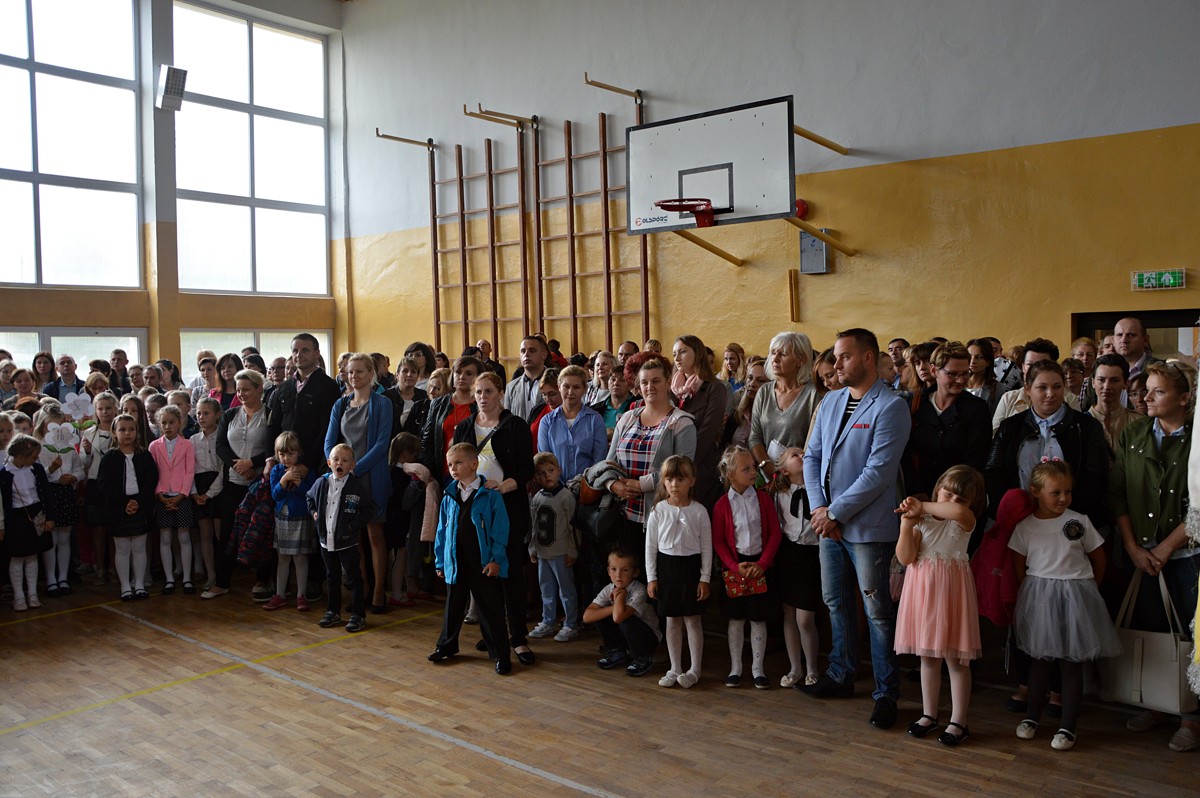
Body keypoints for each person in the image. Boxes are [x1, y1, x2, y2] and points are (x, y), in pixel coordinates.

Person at [802, 328, 911, 729]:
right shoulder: (831, 400)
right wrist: (819, 508)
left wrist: (835, 513)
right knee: (836, 602)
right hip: (828, 524)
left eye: (844, 356)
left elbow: (878, 473)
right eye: (835, 357)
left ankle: (886, 693)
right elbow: (812, 457)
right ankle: (840, 674)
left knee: (877, 612)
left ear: (867, 358)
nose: (836, 364)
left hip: (867, 528)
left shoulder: (891, 406)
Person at [1109, 360, 1199, 751]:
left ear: (1184, 398)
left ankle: (1191, 718)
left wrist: (1165, 547)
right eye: (1145, 389)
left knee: (1191, 639)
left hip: (1187, 555)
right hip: (1141, 555)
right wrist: (1133, 547)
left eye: (1157, 391)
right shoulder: (1135, 433)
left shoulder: (1197, 438)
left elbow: (1199, 505)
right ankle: (1157, 702)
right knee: (1153, 630)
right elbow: (1118, 493)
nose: (1145, 397)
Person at [1009, 460, 1121, 752]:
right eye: (1055, 492)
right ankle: (1031, 717)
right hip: (1040, 597)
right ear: (1036, 491)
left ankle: (1067, 726)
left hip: (1075, 596)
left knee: (1071, 664)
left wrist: (1086, 589)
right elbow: (1020, 566)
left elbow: (1099, 558)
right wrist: (1033, 593)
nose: (1063, 498)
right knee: (1040, 661)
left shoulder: (1078, 521)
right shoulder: (1025, 527)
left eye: (1067, 492)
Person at [894, 466, 986, 747]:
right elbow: (906, 558)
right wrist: (907, 524)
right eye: (948, 494)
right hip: (923, 595)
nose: (953, 501)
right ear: (938, 490)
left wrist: (920, 505)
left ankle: (959, 720)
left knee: (956, 660)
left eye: (961, 499)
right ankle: (929, 714)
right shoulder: (921, 520)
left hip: (952, 595)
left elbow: (957, 511)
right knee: (928, 658)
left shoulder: (964, 519)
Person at [451, 372, 535, 667]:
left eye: (488, 391)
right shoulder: (465, 427)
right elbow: (455, 465)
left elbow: (526, 470)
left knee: (510, 575)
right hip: (474, 512)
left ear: (500, 393)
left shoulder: (515, 426)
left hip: (507, 508)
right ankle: (493, 634)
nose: (483, 397)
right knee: (483, 577)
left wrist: (503, 487)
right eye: (478, 392)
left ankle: (518, 638)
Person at [427, 442, 511, 673]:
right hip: (456, 561)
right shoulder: (449, 495)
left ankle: (501, 654)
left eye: (458, 463)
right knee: (453, 606)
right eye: (450, 464)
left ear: (474, 464)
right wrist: (440, 561)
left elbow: (500, 530)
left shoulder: (490, 495)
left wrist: (496, 559)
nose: (453, 468)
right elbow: (442, 532)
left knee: (490, 608)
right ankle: (446, 646)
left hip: (483, 563)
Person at [605, 355, 697, 559]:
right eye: (644, 382)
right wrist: (613, 485)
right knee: (629, 573)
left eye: (656, 381)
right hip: (624, 513)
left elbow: (683, 471)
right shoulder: (627, 419)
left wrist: (642, 484)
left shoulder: (681, 423)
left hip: (662, 516)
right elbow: (609, 463)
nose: (649, 387)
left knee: (655, 575)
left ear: (668, 382)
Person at [325, 352, 393, 614]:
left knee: (375, 534)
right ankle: (360, 589)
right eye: (350, 371)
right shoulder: (340, 404)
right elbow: (330, 442)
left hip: (371, 475)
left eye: (359, 371)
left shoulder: (382, 403)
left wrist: (355, 469)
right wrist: (337, 466)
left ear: (371, 374)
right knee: (354, 536)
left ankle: (378, 592)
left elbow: (381, 444)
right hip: (344, 476)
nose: (353, 376)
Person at [712, 445, 781, 689]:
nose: (754, 472)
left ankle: (758, 668)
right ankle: (736, 668)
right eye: (747, 469)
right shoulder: (722, 504)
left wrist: (762, 564)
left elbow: (774, 534)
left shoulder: (763, 499)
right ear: (731, 475)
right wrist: (733, 566)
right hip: (736, 566)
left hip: (759, 565)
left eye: (753, 467)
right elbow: (719, 541)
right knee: (736, 618)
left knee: (758, 618)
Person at [643, 454, 710, 688]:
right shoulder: (658, 510)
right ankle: (675, 667)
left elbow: (706, 547)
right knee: (672, 620)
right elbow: (650, 547)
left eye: (680, 479)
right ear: (663, 481)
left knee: (692, 620)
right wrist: (652, 578)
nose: (674, 485)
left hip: (690, 569)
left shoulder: (699, 511)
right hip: (667, 569)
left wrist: (705, 578)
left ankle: (695, 669)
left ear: (691, 481)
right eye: (669, 479)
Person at [206, 369, 272, 600]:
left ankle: (263, 580)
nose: (241, 394)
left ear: (259, 389)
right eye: (239, 390)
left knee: (260, 532)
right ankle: (221, 582)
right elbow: (221, 446)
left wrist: (252, 463)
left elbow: (274, 447)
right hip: (234, 482)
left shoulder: (270, 414)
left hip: (260, 483)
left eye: (246, 389)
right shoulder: (230, 414)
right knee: (226, 533)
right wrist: (239, 466)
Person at [903, 342, 992, 499]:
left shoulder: (977, 409)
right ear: (934, 371)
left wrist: (949, 495)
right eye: (952, 374)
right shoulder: (916, 405)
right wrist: (915, 489)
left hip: (957, 496)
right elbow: (905, 452)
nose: (960, 380)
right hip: (917, 494)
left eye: (965, 374)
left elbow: (975, 459)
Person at [307, 443, 374, 633]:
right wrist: (314, 513)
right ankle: (332, 611)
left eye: (345, 461)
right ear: (329, 463)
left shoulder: (356, 487)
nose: (339, 463)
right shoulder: (321, 483)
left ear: (352, 465)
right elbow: (309, 498)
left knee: (353, 578)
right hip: (325, 541)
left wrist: (352, 526)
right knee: (332, 577)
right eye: (336, 459)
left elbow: (368, 510)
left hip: (347, 542)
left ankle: (358, 614)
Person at [773, 446, 822, 690]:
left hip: (812, 554)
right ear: (784, 470)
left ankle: (812, 668)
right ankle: (795, 668)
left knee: (805, 618)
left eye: (803, 452)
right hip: (788, 553)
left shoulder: (818, 490)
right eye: (795, 455)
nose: (802, 456)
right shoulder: (779, 494)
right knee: (789, 614)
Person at [99, 414, 158, 601]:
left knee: (139, 547)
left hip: (141, 506)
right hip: (118, 508)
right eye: (122, 430)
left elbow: (151, 481)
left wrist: (138, 502)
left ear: (137, 432)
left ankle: (139, 584)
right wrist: (124, 503)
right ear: (114, 433)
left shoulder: (144, 456)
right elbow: (104, 484)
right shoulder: (109, 458)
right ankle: (125, 586)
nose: (127, 433)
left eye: (131, 429)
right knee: (122, 548)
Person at [750, 332, 819, 481]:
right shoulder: (764, 391)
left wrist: (791, 472)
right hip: (767, 476)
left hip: (800, 477)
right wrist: (767, 466)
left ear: (801, 359)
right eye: (773, 353)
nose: (775, 359)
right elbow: (755, 437)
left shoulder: (813, 394)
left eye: (783, 354)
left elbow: (816, 442)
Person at [527, 452, 581, 643]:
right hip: (543, 553)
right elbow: (534, 527)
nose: (547, 476)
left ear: (559, 470)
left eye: (550, 470)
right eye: (541, 473)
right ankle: (547, 621)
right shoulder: (537, 498)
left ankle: (571, 624)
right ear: (536, 477)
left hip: (561, 553)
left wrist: (572, 551)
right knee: (546, 589)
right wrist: (533, 549)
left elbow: (574, 527)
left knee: (566, 590)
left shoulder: (566, 496)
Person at [582, 548, 661, 677]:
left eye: (625, 570)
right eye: (614, 569)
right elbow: (587, 617)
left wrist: (621, 596)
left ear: (635, 572)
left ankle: (643, 656)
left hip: (648, 638)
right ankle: (617, 650)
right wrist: (613, 607)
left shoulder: (640, 590)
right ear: (608, 571)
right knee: (600, 615)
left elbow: (619, 617)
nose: (618, 575)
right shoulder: (608, 589)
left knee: (625, 620)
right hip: (627, 636)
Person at [670, 335, 729, 508]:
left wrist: (683, 467)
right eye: (674, 354)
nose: (677, 358)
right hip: (671, 466)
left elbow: (707, 433)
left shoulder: (715, 388)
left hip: (700, 466)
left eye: (683, 352)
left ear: (698, 353)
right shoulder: (672, 390)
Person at [263, 431, 319, 611]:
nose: (286, 458)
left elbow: (311, 493)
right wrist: (284, 480)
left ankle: (301, 595)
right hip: (282, 519)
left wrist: (299, 482)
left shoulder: (306, 471)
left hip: (301, 518)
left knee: (300, 558)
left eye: (290, 453)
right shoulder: (276, 471)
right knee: (283, 558)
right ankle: (279, 594)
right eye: (282, 454)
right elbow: (275, 495)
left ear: (298, 453)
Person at [1, 434, 56, 610]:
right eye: (33, 456)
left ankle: (32, 594)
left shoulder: (36, 469)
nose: (36, 459)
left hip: (36, 513)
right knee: (17, 557)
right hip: (16, 518)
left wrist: (50, 517)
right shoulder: (4, 474)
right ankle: (18, 596)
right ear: (20, 456)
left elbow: (46, 493)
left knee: (32, 555)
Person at [33, 406, 83, 598]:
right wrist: (51, 469)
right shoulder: (38, 447)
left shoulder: (69, 448)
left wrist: (74, 477)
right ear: (43, 427)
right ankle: (51, 579)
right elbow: (36, 476)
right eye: (52, 426)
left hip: (65, 493)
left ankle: (62, 577)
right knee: (50, 539)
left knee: (64, 538)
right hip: (48, 494)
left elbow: (79, 469)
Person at [148, 405, 195, 595]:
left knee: (184, 537)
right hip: (162, 497)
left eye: (172, 422)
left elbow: (189, 472)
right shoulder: (154, 446)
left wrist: (181, 495)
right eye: (164, 423)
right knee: (165, 538)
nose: (168, 426)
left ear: (179, 423)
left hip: (181, 496)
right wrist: (159, 494)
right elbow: (153, 473)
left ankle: (187, 578)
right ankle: (169, 578)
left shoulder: (187, 445)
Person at [992, 338, 1081, 432]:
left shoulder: (1070, 400)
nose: (1034, 370)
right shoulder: (1008, 399)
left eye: (1041, 365)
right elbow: (995, 435)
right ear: (1023, 367)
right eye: (1030, 365)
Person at [537, 365, 607, 482]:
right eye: (566, 386)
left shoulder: (595, 420)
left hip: (587, 487)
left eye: (576, 387)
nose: (570, 392)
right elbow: (545, 461)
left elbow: (599, 461)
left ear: (585, 389)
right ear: (559, 387)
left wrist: (584, 485)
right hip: (555, 487)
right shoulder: (547, 422)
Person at [420, 356, 481, 483]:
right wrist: (431, 475)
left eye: (469, 373)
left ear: (478, 377)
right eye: (458, 372)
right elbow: (427, 441)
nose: (462, 377)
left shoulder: (481, 405)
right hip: (443, 472)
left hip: (475, 473)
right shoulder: (438, 403)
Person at [81, 391, 118, 584]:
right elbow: (84, 464)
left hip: (114, 484)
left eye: (108, 408)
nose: (105, 412)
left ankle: (114, 567)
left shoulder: (120, 430)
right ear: (95, 411)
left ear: (115, 409)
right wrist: (87, 452)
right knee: (98, 529)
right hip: (95, 484)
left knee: (113, 528)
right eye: (101, 408)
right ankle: (101, 568)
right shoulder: (88, 433)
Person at [190, 397, 224, 593]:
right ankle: (210, 574)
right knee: (205, 534)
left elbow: (223, 468)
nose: (201, 417)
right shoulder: (193, 440)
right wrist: (195, 493)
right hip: (199, 488)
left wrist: (210, 494)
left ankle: (221, 573)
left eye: (206, 413)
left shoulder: (223, 437)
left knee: (220, 534)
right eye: (198, 413)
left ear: (217, 415)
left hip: (218, 487)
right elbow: (189, 470)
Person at [1088, 353, 1141, 453]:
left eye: (1114, 380)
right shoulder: (1080, 424)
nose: (1107, 386)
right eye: (1101, 380)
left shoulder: (1138, 423)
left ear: (1126, 384)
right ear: (1093, 382)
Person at [723, 357, 769, 450]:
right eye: (750, 378)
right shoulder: (736, 415)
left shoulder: (771, 420)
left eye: (760, 380)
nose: (752, 384)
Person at [504, 335, 550, 421]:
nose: (526, 354)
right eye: (523, 351)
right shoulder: (511, 387)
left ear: (544, 354)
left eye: (532, 350)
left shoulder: (557, 383)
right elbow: (507, 420)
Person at [383, 356, 429, 439]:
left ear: (418, 376)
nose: (409, 375)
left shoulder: (424, 397)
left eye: (413, 372)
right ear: (397, 375)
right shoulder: (386, 397)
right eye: (405, 371)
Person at [1114, 316, 1164, 380]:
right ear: (1113, 340)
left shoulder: (1160, 370)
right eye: (1119, 335)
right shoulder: (1106, 370)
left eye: (1131, 335)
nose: (1124, 340)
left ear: (1145, 340)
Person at [591, 367, 634, 441]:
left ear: (630, 385)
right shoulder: (594, 410)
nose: (616, 383)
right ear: (608, 384)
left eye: (622, 380)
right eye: (613, 379)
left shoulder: (637, 407)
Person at [965, 338, 1001, 415]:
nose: (972, 361)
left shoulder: (996, 388)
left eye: (979, 357)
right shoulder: (958, 383)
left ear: (988, 362)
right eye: (969, 356)